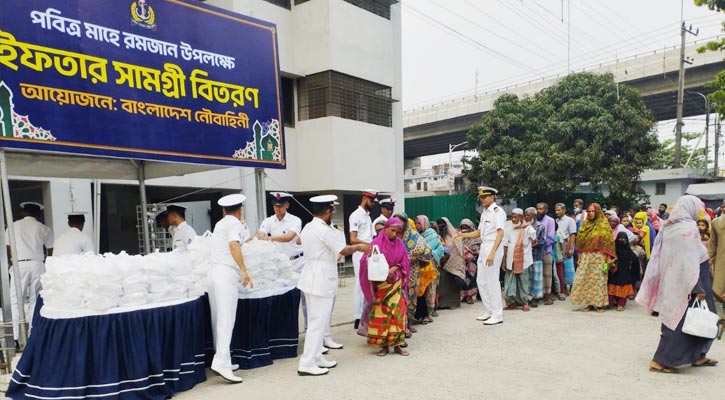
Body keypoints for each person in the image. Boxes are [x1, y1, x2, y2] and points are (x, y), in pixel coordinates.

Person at [637, 195, 718, 373]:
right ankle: (661, 361)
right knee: (678, 322)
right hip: (689, 283)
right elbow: (688, 262)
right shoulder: (687, 230)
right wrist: (697, 288)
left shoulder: (671, 227)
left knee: (702, 317)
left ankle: (698, 354)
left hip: (678, 282)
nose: (700, 212)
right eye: (698, 208)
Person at [297, 195, 370, 376]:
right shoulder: (324, 230)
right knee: (317, 323)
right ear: (328, 211)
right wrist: (359, 247)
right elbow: (342, 249)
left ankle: (316, 357)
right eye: (332, 210)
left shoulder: (309, 226)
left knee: (318, 322)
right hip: (321, 278)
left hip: (311, 276)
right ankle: (306, 362)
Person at [207, 194, 253, 383]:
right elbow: (233, 244)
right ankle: (221, 362)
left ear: (224, 210)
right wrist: (243, 269)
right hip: (225, 272)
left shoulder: (220, 223)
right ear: (240, 210)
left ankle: (223, 358)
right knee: (226, 318)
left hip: (214, 272)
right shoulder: (234, 223)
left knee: (218, 318)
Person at [358, 218, 410, 357]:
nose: (394, 234)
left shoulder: (400, 244)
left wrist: (395, 268)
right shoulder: (376, 244)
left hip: (396, 283)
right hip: (380, 286)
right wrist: (377, 267)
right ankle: (384, 346)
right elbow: (364, 261)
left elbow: (405, 261)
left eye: (397, 232)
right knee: (383, 316)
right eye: (392, 230)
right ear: (385, 228)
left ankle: (398, 345)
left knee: (397, 314)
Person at [455, 187, 505, 326]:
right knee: (481, 280)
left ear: (492, 197)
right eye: (480, 198)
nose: (482, 200)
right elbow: (479, 232)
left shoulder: (498, 212)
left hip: (493, 246)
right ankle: (489, 311)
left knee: (492, 281)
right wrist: (463, 235)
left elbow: (500, 233)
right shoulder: (484, 213)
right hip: (484, 246)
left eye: (484, 197)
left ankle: (497, 314)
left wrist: (493, 253)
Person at [7, 202, 53, 341]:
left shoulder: (12, 226)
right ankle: (32, 335)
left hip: (19, 263)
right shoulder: (43, 228)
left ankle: (15, 337)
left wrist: (12, 262)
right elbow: (50, 250)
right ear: (38, 214)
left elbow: (8, 248)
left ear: (23, 212)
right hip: (37, 263)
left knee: (16, 300)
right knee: (35, 300)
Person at [570, 203, 615, 313]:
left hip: (600, 257)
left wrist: (608, 258)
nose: (590, 214)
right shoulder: (585, 224)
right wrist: (580, 256)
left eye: (592, 211)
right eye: (588, 211)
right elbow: (580, 241)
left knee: (599, 281)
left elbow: (609, 242)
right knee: (585, 279)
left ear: (598, 212)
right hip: (586, 256)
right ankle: (589, 303)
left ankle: (600, 304)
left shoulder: (604, 224)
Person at [349, 189, 378, 329]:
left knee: (369, 283)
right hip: (360, 252)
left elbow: (371, 235)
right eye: (371, 200)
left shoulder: (368, 216)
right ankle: (357, 316)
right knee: (360, 284)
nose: (373, 203)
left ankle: (366, 313)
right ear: (365, 198)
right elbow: (353, 239)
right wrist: (369, 244)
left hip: (369, 252)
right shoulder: (355, 215)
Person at [502, 208, 536, 311]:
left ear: (521, 217)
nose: (513, 218)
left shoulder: (528, 228)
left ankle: (525, 303)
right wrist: (504, 259)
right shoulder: (508, 228)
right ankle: (511, 303)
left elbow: (534, 240)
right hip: (510, 260)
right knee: (508, 282)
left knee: (523, 282)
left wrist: (529, 226)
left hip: (523, 260)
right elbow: (505, 245)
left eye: (515, 216)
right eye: (512, 216)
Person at [416, 215, 446, 321]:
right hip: (420, 265)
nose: (416, 225)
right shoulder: (418, 235)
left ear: (424, 223)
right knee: (422, 287)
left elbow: (432, 249)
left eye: (419, 223)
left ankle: (429, 311)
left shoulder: (432, 235)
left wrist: (426, 252)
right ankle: (423, 312)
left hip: (431, 265)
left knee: (430, 287)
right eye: (416, 223)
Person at [436, 217, 466, 310]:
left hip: (454, 265)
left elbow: (459, 252)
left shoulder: (455, 236)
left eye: (443, 225)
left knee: (452, 285)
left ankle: (454, 303)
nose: (441, 227)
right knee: (442, 284)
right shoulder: (437, 237)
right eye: (439, 225)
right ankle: (440, 303)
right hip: (442, 264)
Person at [608, 232, 639, 311]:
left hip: (624, 272)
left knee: (622, 288)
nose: (622, 240)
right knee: (611, 287)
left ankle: (620, 304)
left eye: (624, 239)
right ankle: (610, 303)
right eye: (620, 239)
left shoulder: (628, 251)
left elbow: (635, 260)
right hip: (614, 272)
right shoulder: (613, 250)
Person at [524, 208, 545, 307]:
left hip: (536, 256)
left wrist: (529, 245)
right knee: (527, 278)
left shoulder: (540, 226)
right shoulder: (523, 226)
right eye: (526, 215)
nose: (526, 217)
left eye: (528, 215)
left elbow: (542, 242)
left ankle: (536, 298)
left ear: (534, 216)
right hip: (526, 257)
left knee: (536, 278)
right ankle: (527, 298)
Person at [536, 203, 556, 305]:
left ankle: (548, 295)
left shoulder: (550, 221)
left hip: (546, 251)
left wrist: (540, 244)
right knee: (537, 274)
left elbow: (551, 237)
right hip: (535, 253)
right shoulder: (534, 220)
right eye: (537, 209)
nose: (539, 211)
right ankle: (538, 295)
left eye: (541, 209)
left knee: (547, 274)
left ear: (546, 210)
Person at [555, 203, 577, 297]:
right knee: (560, 267)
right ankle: (562, 288)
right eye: (556, 210)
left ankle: (572, 288)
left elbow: (573, 234)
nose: (557, 212)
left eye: (559, 210)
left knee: (569, 267)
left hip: (566, 244)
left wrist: (571, 248)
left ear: (564, 210)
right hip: (558, 245)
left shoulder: (570, 220)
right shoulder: (555, 221)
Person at [459, 219, 481, 305]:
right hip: (462, 261)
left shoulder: (476, 238)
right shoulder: (460, 237)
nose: (464, 229)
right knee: (463, 278)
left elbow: (478, 250)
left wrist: (470, 251)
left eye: (466, 227)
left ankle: (470, 296)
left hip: (472, 261)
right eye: (463, 227)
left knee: (471, 279)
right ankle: (464, 295)